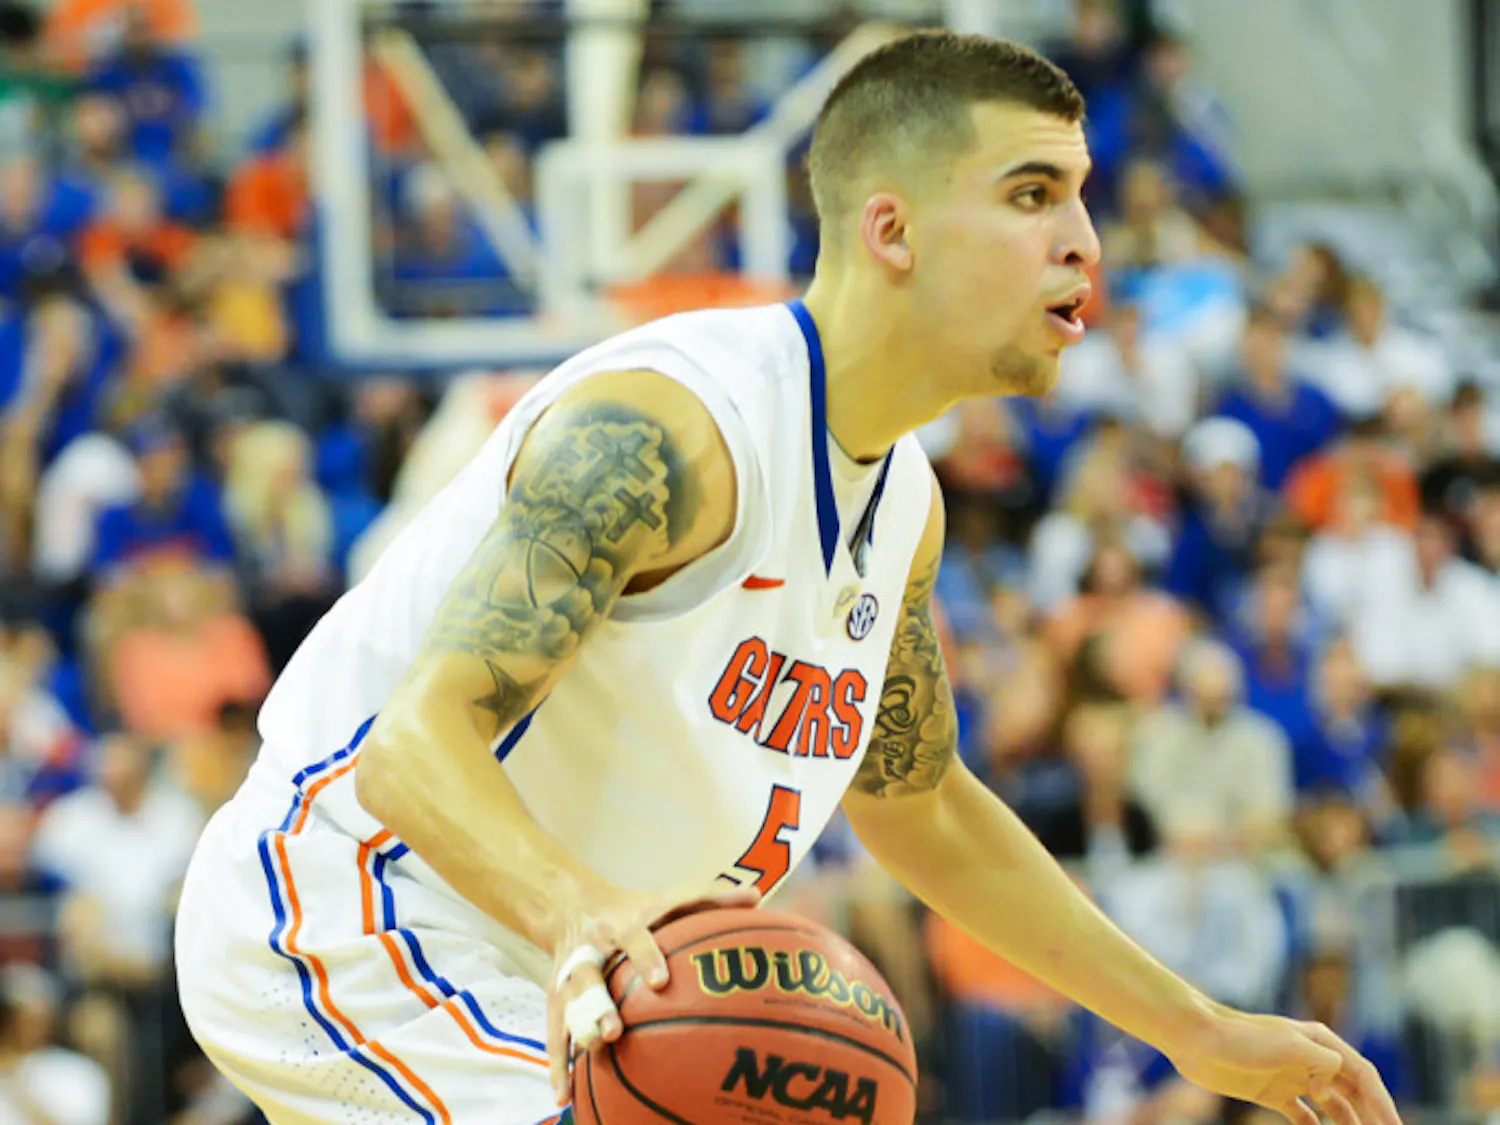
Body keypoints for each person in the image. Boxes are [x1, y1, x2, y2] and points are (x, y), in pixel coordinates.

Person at [173, 31, 1401, 1125]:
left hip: (559, 972)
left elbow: (918, 804)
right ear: (893, 228)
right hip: (353, 905)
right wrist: (578, 916)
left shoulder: (901, 503)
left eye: (1079, 196)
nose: (1082, 239)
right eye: (1033, 194)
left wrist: (1197, 1030)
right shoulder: (670, 433)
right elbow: (411, 745)